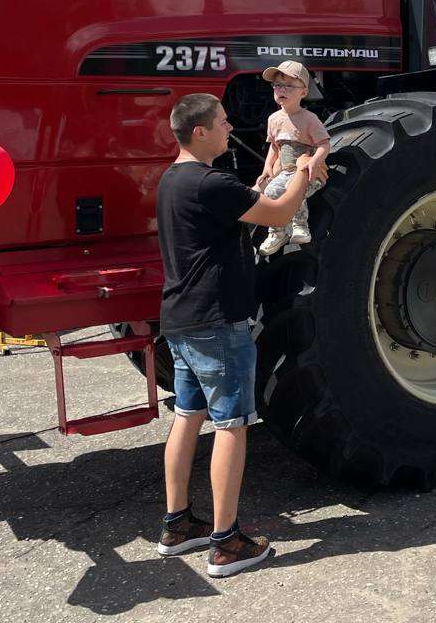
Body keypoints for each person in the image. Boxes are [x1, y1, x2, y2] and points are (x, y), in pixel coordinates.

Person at [155, 92, 313, 576]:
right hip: (217, 322)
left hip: (180, 319)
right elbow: (279, 214)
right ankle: (226, 544)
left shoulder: (173, 179)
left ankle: (177, 524)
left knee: (187, 416)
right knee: (231, 425)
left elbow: (240, 205)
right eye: (223, 123)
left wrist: (262, 183)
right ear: (199, 132)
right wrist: (305, 170)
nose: (231, 129)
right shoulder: (210, 183)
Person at [255, 61, 330, 256]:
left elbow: (324, 144)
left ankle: (300, 227)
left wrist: (314, 162)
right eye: (278, 85)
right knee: (270, 192)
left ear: (303, 92)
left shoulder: (310, 119)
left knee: (294, 190)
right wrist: (267, 168)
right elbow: (274, 146)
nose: (282, 90)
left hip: (309, 173)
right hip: (286, 172)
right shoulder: (274, 119)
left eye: (289, 85)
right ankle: (278, 232)